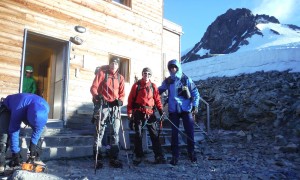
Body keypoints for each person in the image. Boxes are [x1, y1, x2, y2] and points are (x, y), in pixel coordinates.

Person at [158, 59, 200, 165]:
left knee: (190, 132)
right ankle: (175, 156)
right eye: (171, 67)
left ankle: (191, 153)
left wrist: (195, 105)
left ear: (178, 68)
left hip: (186, 110)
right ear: (169, 69)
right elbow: (159, 90)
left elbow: (195, 92)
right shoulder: (168, 81)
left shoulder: (186, 79)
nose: (173, 69)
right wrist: (150, 89)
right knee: (174, 134)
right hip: (173, 111)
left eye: (174, 67)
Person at [0, 93, 49, 173]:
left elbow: (38, 129)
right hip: (8, 107)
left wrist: (32, 148)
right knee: (4, 133)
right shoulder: (19, 108)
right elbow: (14, 130)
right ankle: (1, 162)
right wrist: (16, 152)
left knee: (43, 130)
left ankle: (35, 157)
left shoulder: (45, 107)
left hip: (28, 109)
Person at [90, 57, 125, 168]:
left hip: (114, 108)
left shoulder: (120, 78)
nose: (113, 65)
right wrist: (97, 96)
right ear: (109, 64)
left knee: (115, 133)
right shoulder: (102, 73)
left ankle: (114, 158)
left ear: (118, 66)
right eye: (112, 63)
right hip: (103, 105)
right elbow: (94, 87)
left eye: (115, 63)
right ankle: (98, 158)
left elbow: (122, 93)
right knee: (99, 132)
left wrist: (121, 100)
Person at [127, 67, 166, 165]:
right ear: (142, 74)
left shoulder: (153, 86)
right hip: (138, 112)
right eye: (145, 73)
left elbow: (157, 99)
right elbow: (130, 100)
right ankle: (138, 155)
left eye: (149, 74)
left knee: (154, 135)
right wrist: (129, 112)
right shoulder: (136, 86)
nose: (146, 75)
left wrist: (161, 110)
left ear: (150, 75)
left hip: (150, 113)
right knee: (138, 135)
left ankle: (158, 156)